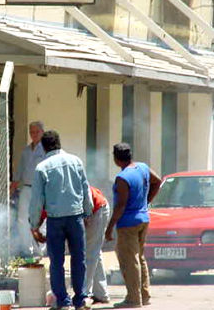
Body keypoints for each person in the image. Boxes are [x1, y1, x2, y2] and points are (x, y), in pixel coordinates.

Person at [29, 130, 93, 310]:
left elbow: (37, 201)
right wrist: (87, 213)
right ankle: (80, 300)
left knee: (56, 261)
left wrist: (34, 225)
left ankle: (63, 301)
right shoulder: (76, 161)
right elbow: (85, 189)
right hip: (75, 217)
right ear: (59, 143)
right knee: (78, 258)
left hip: (55, 220)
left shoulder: (42, 168)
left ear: (43, 147)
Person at [104, 143, 162, 308]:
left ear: (116, 159)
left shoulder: (123, 178)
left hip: (128, 223)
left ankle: (133, 299)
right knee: (139, 258)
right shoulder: (142, 168)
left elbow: (120, 206)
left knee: (129, 261)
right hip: (143, 220)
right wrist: (146, 202)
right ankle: (144, 295)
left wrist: (109, 228)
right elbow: (157, 181)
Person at [32, 186, 111, 304]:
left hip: (97, 209)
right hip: (87, 210)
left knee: (90, 253)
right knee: (93, 250)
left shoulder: (66, 191)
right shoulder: (46, 199)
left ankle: (84, 294)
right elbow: (37, 219)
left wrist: (84, 219)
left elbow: (85, 202)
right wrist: (35, 230)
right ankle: (101, 294)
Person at [11, 121, 46, 256]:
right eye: (32, 132)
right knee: (22, 218)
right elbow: (20, 170)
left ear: (42, 133)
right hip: (26, 188)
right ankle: (27, 249)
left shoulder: (45, 150)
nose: (34, 134)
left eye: (37, 132)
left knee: (40, 219)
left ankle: (40, 250)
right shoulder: (26, 150)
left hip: (41, 188)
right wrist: (13, 186)